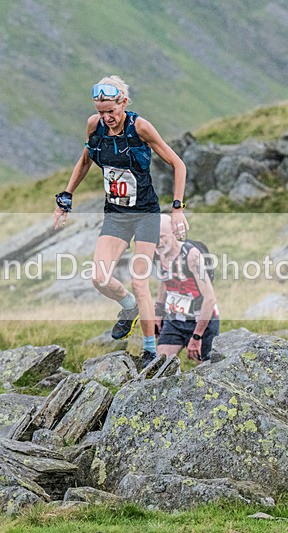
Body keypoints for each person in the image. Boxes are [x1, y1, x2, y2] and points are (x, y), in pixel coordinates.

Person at [53, 76, 189, 363]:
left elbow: (178, 164)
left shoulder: (140, 127)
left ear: (123, 103)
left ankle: (151, 351)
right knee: (99, 279)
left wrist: (177, 209)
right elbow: (86, 160)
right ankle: (128, 306)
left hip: (145, 215)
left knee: (141, 283)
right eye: (101, 112)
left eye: (111, 112)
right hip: (116, 214)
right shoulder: (95, 126)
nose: (107, 118)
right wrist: (66, 196)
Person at [154, 214, 220, 365]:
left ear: (174, 233)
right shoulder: (156, 253)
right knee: (159, 367)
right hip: (175, 319)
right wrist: (158, 312)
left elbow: (210, 299)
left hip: (202, 320)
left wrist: (197, 336)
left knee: (205, 373)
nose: (158, 242)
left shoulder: (192, 256)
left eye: (162, 237)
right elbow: (164, 281)